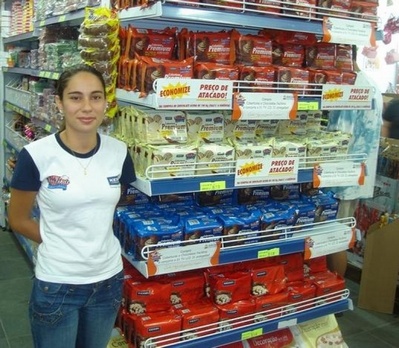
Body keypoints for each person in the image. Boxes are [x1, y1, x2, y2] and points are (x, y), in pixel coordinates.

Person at [8, 64, 136, 348]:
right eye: (76, 97)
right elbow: (17, 219)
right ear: (59, 102)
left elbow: (108, 209)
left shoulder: (119, 153)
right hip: (57, 283)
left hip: (108, 281)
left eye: (96, 97)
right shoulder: (36, 155)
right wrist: (60, 241)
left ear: (106, 102)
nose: (87, 107)